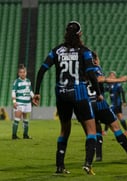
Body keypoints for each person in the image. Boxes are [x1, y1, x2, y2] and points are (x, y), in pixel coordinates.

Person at [33, 21, 103, 175]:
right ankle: (87, 164)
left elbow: (42, 70)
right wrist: (98, 93)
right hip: (78, 92)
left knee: (64, 130)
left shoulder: (57, 50)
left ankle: (59, 167)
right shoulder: (84, 51)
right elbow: (91, 74)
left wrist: (36, 92)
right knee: (91, 130)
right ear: (80, 34)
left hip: (61, 93)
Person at [87, 51, 127, 162]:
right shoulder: (95, 68)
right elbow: (100, 79)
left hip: (88, 104)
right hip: (100, 104)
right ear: (95, 59)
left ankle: (98, 156)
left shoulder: (83, 69)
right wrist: (119, 79)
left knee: (97, 129)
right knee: (116, 127)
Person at [11, 64, 35, 139]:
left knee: (26, 119)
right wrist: (14, 101)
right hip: (19, 103)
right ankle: (14, 135)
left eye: (24, 72)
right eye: (21, 72)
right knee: (17, 119)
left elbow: (30, 91)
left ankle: (25, 135)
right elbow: (13, 92)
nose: (22, 73)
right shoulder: (17, 81)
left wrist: (34, 97)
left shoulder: (28, 81)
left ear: (26, 73)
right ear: (18, 73)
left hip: (27, 103)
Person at [104, 71, 127, 135]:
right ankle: (126, 131)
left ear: (115, 76)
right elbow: (104, 89)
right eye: (110, 75)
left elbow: (122, 92)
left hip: (117, 103)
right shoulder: (109, 85)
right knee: (120, 117)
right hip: (113, 103)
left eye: (112, 75)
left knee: (108, 115)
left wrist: (124, 101)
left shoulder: (117, 84)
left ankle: (105, 131)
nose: (111, 76)